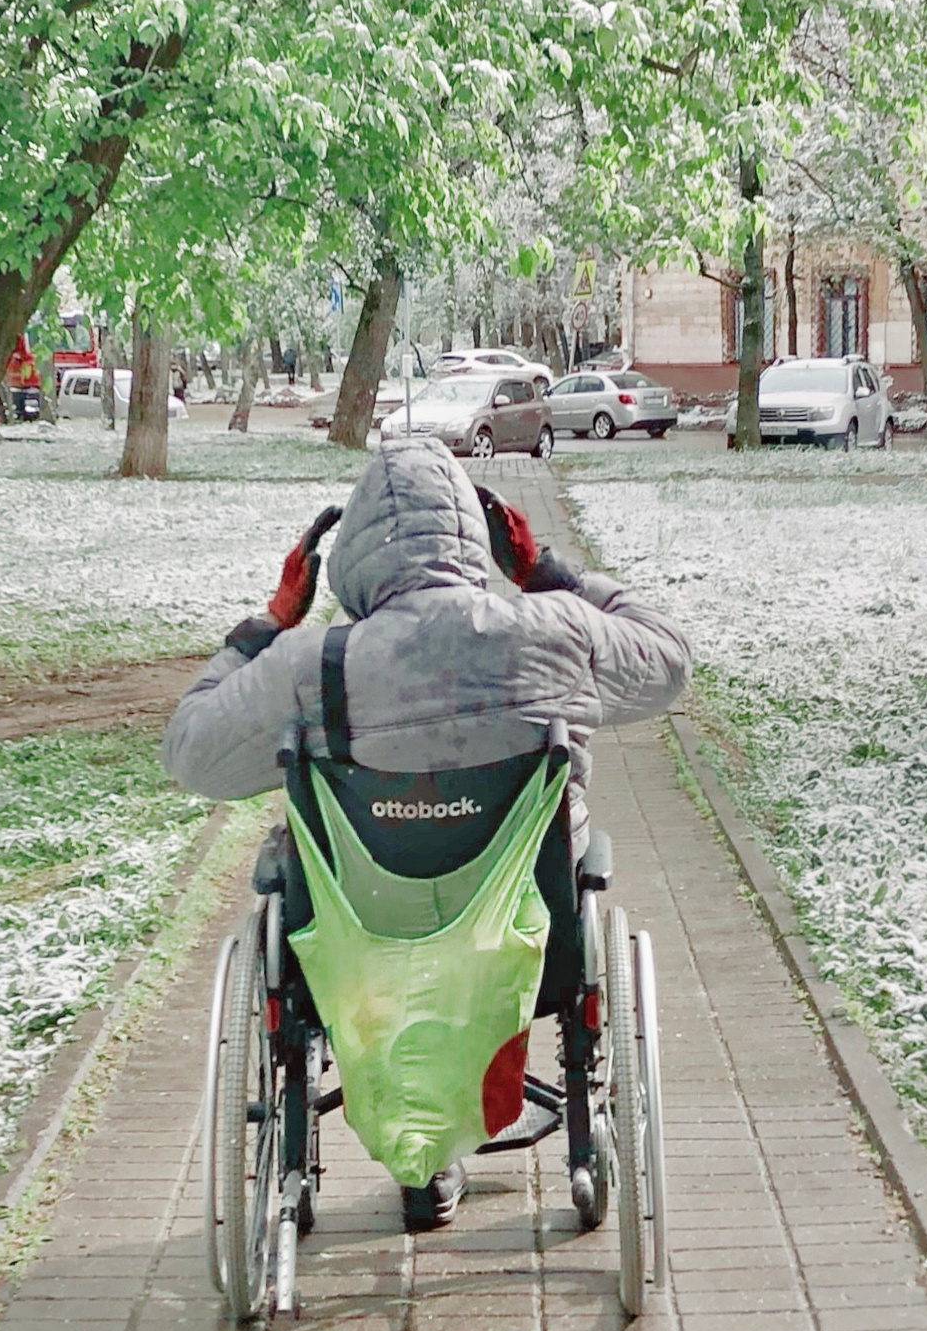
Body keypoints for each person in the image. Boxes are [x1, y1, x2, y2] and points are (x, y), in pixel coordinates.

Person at [163, 430, 690, 1227]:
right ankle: (542, 1141)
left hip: (354, 954)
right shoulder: (553, 631)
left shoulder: (309, 666)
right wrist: (551, 574)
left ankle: (418, 1158)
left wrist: (267, 623)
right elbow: (668, 663)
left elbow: (193, 755)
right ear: (479, 539)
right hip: (532, 945)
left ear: (347, 559)